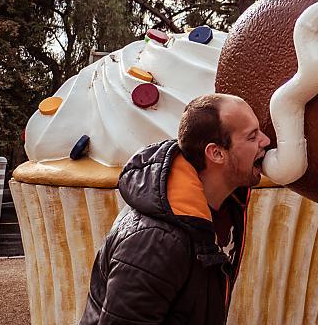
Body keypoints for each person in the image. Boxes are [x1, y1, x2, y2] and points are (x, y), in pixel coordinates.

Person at [80, 93, 270, 325]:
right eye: (252, 137)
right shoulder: (156, 241)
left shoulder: (225, 208)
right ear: (216, 153)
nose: (265, 141)